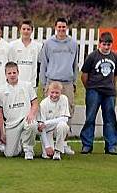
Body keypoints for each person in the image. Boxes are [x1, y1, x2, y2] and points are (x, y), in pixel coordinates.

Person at [39, 17, 78, 155]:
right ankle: (48, 143)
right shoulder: (48, 43)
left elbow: (75, 64)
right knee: (49, 113)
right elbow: (43, 64)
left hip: (67, 82)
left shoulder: (73, 43)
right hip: (51, 81)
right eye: (59, 27)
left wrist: (74, 83)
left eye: (64, 27)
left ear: (67, 28)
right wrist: (44, 84)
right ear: (55, 27)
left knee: (69, 112)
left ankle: (63, 143)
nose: (61, 29)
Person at [80, 32, 117, 155]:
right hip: (94, 90)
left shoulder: (115, 57)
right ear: (99, 43)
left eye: (109, 44)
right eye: (104, 44)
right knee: (90, 118)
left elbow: (116, 75)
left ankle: (111, 146)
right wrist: (89, 88)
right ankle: (87, 145)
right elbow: (84, 75)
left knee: (110, 119)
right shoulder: (92, 57)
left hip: (109, 92)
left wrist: (112, 87)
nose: (106, 47)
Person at [0, 62, 38, 160]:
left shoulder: (27, 85)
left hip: (25, 119)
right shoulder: (1, 90)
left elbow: (35, 103)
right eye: (9, 73)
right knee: (10, 154)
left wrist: (32, 114)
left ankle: (28, 149)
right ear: (5, 74)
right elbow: (0, 112)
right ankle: (19, 145)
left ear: (18, 72)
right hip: (11, 124)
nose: (12, 75)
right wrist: (2, 132)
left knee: (32, 124)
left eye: (14, 72)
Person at [37, 82, 70, 160]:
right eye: (52, 92)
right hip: (47, 130)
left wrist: (47, 122)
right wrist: (47, 146)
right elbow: (41, 127)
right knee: (47, 156)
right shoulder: (43, 104)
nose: (54, 95)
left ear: (61, 92)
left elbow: (65, 119)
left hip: (58, 128)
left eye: (57, 93)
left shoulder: (64, 99)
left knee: (63, 125)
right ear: (48, 91)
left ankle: (58, 151)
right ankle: (50, 148)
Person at [9, 20, 42, 88]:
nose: (26, 31)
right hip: (15, 83)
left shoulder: (38, 46)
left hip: (31, 83)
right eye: (24, 29)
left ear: (32, 31)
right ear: (20, 30)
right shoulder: (12, 45)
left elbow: (40, 63)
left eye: (28, 29)